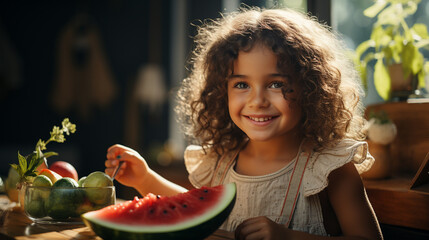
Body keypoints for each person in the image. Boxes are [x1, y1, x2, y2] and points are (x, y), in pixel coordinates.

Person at [105, 7, 383, 240]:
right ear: (220, 91)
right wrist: (145, 179)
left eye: (276, 84)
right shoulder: (221, 159)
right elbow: (193, 207)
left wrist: (289, 237)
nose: (257, 100)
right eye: (241, 84)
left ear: (310, 88)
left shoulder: (330, 168)